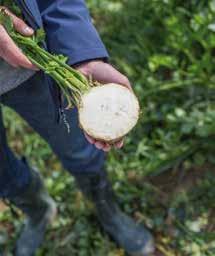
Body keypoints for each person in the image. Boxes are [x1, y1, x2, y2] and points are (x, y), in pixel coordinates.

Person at [0, 1, 155, 255]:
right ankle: (37, 210)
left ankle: (106, 207)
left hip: (27, 67)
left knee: (76, 146)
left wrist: (80, 52)